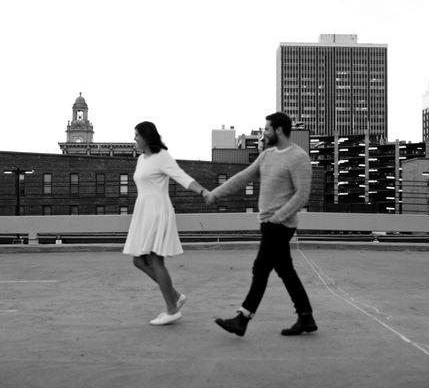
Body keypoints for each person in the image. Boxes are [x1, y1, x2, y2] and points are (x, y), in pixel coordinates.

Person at [205, 112, 317, 336]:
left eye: (266, 129)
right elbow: (243, 177)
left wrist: (278, 217)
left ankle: (242, 319)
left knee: (261, 268)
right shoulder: (267, 156)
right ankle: (306, 317)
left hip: (280, 225)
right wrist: (215, 194)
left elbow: (302, 195)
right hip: (268, 223)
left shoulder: (298, 157)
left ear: (278, 130)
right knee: (285, 271)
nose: (263, 134)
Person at [123, 121, 210, 326]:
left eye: (137, 135)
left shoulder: (162, 157)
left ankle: (172, 309)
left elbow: (182, 177)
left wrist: (203, 191)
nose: (134, 138)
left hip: (157, 212)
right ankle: (175, 297)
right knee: (139, 260)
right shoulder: (141, 159)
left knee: (155, 260)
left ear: (147, 136)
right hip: (143, 212)